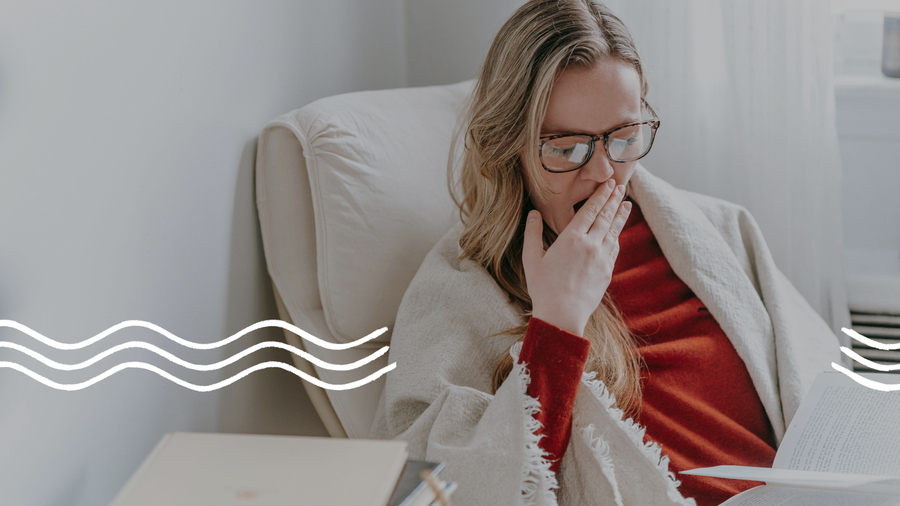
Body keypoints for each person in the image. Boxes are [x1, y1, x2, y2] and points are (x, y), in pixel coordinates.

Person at [368, 1, 841, 505]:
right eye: (567, 147)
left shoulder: (721, 231)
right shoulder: (461, 285)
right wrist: (557, 321)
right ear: (510, 146)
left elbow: (822, 388)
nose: (603, 175)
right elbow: (432, 486)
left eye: (624, 137)